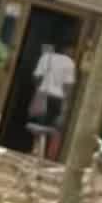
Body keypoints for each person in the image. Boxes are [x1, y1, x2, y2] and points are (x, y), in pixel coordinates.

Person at [31, 29, 77, 160]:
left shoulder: (46, 58)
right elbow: (68, 85)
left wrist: (39, 89)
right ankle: (46, 155)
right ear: (68, 50)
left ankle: (36, 149)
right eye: (72, 51)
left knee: (39, 123)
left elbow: (36, 77)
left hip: (43, 94)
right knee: (52, 126)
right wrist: (66, 102)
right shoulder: (69, 63)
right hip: (57, 97)